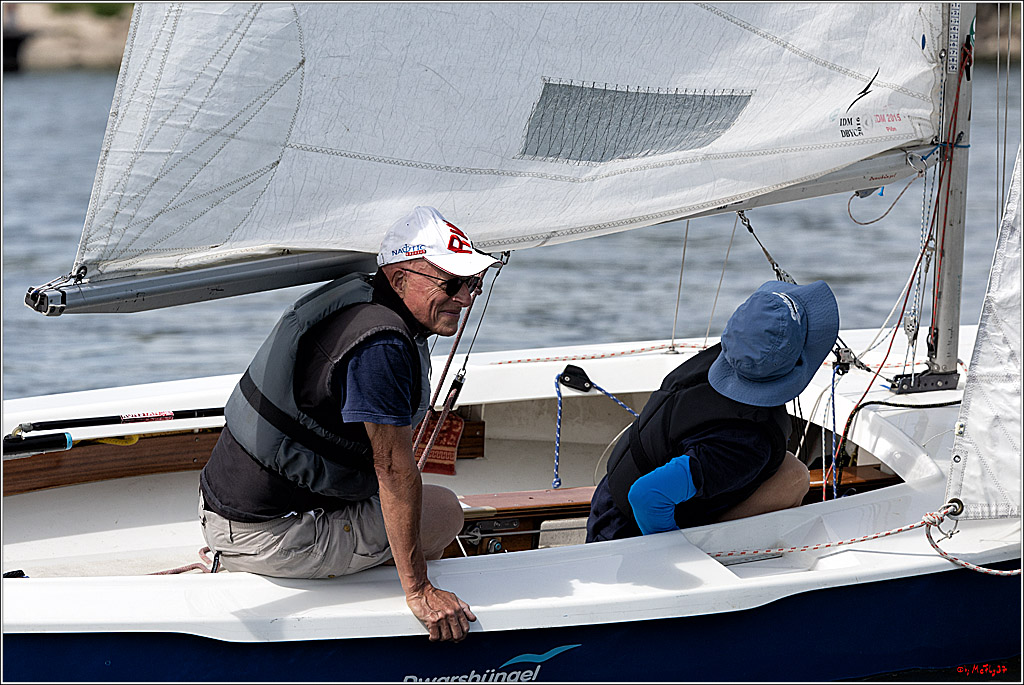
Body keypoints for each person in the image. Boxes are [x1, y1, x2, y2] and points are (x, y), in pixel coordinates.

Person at [198, 206, 499, 642]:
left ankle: (243, 554)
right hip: (267, 534)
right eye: (451, 284)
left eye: (474, 284)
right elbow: (394, 471)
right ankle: (248, 564)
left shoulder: (361, 296)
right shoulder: (381, 348)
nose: (467, 298)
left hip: (231, 510)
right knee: (442, 512)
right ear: (399, 280)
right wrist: (418, 590)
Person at [587, 280, 840, 542]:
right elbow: (646, 496)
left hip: (609, 498)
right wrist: (676, 551)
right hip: (624, 532)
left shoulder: (724, 359)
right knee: (794, 483)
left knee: (792, 472)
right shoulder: (746, 444)